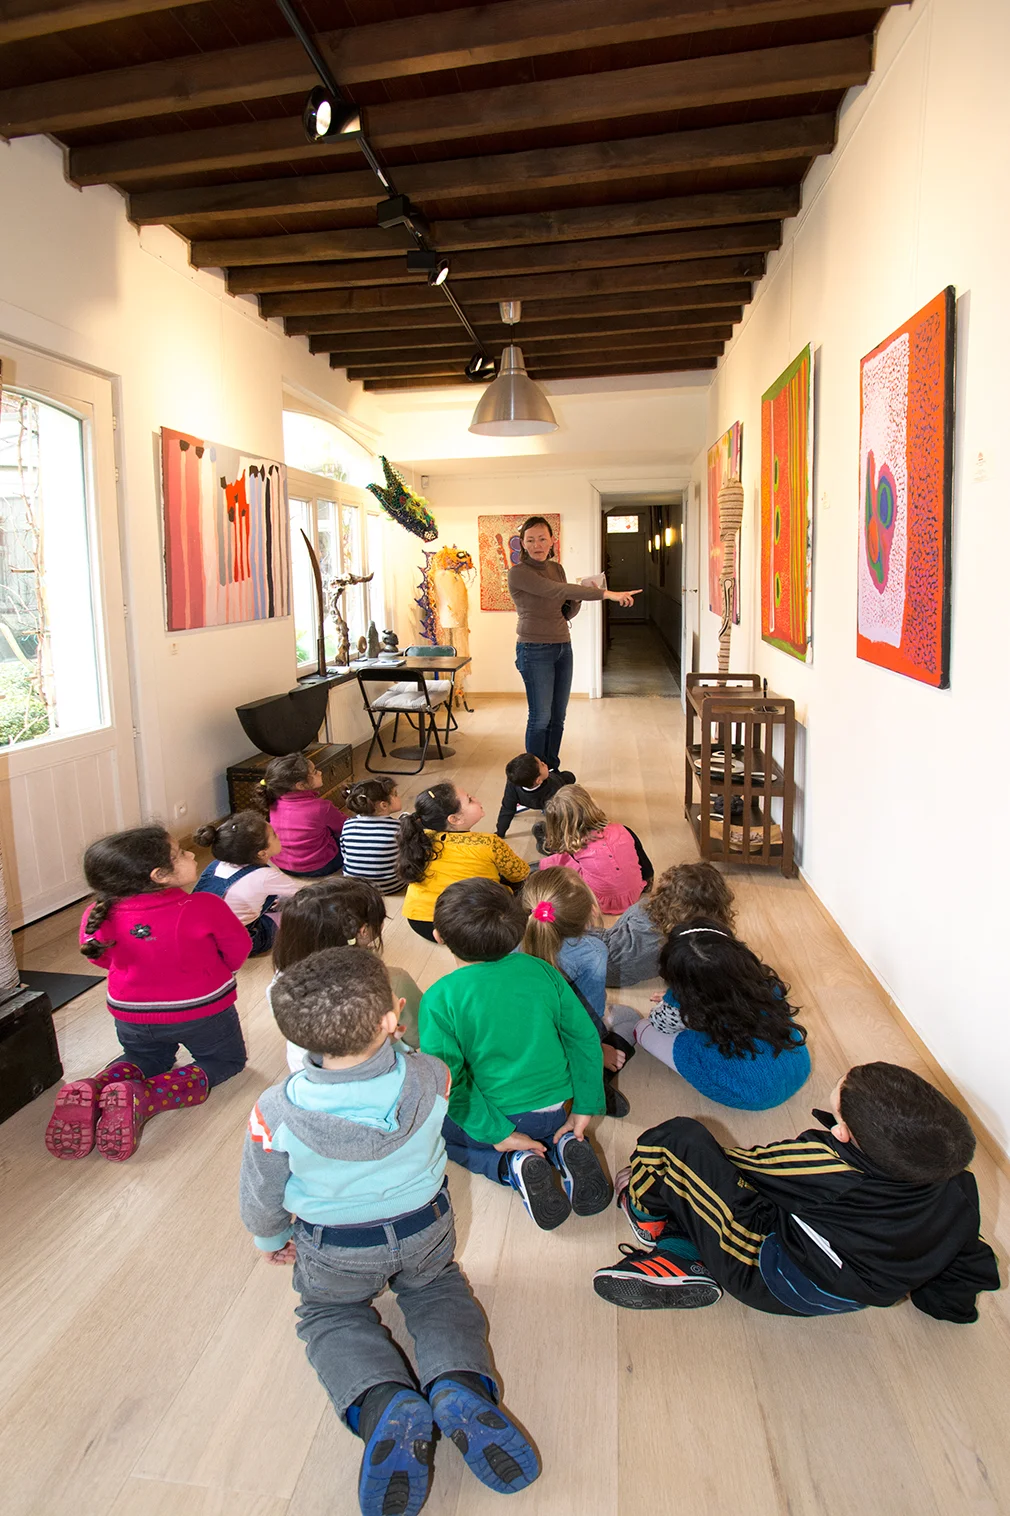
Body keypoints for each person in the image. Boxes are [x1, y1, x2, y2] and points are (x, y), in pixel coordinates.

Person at [240, 947, 540, 1516]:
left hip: (336, 1249)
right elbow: (416, 1069)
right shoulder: (432, 1076)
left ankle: (382, 1402)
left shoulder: (275, 1110)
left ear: (298, 1038)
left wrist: (269, 1238)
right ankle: (458, 1385)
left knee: (329, 1315)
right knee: (437, 1291)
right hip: (425, 1228)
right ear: (392, 1018)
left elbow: (261, 1192)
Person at [592, 1062, 1001, 1321]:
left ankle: (652, 1219)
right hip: (847, 1290)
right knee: (780, 1199)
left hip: (772, 1277)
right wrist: (949, 1306)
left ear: (843, 1133)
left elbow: (735, 1168)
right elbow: (967, 1258)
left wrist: (685, 1172)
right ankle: (686, 1250)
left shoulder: (826, 1163)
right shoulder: (957, 1185)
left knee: (674, 1142)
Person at [45, 825, 251, 1162]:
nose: (189, 854)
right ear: (160, 875)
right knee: (224, 1061)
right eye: (180, 854)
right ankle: (149, 1097)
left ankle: (97, 1087)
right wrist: (220, 971)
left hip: (132, 1015)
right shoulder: (203, 906)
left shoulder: (97, 915)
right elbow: (238, 949)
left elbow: (101, 958)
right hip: (202, 1012)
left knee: (145, 1058)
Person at [419, 878, 609, 1230]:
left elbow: (449, 1081)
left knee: (439, 1131)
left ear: (439, 937)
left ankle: (512, 1165)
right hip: (555, 1110)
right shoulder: (542, 971)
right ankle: (564, 1144)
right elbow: (583, 1040)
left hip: (501, 1117)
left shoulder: (438, 998)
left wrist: (498, 1134)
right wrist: (585, 1105)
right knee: (544, 1125)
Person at [609, 920, 810, 1110]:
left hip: (750, 1093)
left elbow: (658, 1024)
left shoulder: (682, 1004)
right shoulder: (763, 983)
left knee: (641, 1029)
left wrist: (675, 998)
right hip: (797, 1067)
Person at [508, 515, 641, 771]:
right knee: (540, 718)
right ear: (522, 544)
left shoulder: (556, 569)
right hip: (533, 650)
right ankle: (533, 779)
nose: (537, 544)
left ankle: (552, 770)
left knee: (558, 717)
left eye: (542, 539)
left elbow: (565, 610)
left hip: (562, 647)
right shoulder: (518, 573)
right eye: (531, 540)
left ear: (551, 541)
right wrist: (607, 594)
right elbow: (557, 591)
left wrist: (580, 594)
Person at [520, 866, 635, 1117]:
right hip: (562, 1043)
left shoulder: (508, 940)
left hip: (518, 1049)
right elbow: (589, 1018)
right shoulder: (592, 952)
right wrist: (596, 1051)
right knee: (630, 1018)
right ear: (589, 915)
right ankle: (588, 1082)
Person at [273, 877, 422, 1063]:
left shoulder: (281, 981)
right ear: (363, 931)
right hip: (379, 1068)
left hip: (305, 1067)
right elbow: (418, 1034)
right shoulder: (392, 980)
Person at [398, 782, 529, 941]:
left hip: (422, 923)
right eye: (469, 799)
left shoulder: (418, 840)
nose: (476, 798)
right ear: (454, 819)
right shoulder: (489, 843)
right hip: (473, 926)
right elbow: (520, 874)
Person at [601, 860, 735, 987]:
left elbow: (614, 930)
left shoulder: (643, 909)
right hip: (611, 970)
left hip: (602, 963)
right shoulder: (692, 944)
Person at [192, 810, 303, 955]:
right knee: (294, 913)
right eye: (275, 835)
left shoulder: (215, 865)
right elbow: (303, 893)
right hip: (243, 941)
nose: (279, 836)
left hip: (201, 938)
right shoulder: (266, 876)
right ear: (262, 853)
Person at [537, 783, 653, 914]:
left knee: (563, 860)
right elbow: (643, 860)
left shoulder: (575, 848)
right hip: (634, 892)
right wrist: (648, 879)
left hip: (601, 901)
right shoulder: (622, 829)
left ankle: (542, 858)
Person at [258, 752, 347, 878]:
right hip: (321, 867)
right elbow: (345, 827)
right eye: (315, 772)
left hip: (283, 866)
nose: (320, 772)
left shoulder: (274, 802)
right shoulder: (322, 807)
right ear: (300, 785)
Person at [337, 777, 404, 894]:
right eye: (395, 794)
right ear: (383, 805)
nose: (398, 797)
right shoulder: (398, 827)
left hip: (354, 886)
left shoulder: (348, 824)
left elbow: (344, 852)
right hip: (391, 886)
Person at [495, 752, 576, 840]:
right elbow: (562, 808)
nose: (544, 763)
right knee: (569, 776)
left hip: (525, 799)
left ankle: (521, 806)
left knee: (509, 806)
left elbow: (506, 810)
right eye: (541, 764)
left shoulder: (513, 783)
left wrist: (500, 832)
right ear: (538, 780)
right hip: (549, 801)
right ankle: (546, 811)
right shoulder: (554, 786)